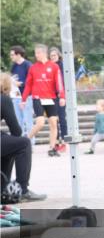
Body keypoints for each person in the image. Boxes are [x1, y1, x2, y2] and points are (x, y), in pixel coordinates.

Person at [1, 73, 45, 202]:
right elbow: (16, 130)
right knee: (24, 143)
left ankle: (3, 189)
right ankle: (23, 190)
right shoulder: (3, 99)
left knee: (10, 144)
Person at [21, 44, 66, 156]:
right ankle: (25, 140)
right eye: (35, 53)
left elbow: (59, 82)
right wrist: (23, 99)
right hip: (37, 98)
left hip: (51, 98)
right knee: (40, 123)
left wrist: (62, 96)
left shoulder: (54, 67)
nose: (36, 55)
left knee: (53, 123)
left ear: (44, 53)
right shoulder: (33, 67)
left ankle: (52, 148)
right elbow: (28, 85)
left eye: (38, 53)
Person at [8, 46, 35, 145]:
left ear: (18, 55)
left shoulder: (28, 65)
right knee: (18, 121)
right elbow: (11, 77)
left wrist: (21, 84)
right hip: (16, 96)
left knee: (28, 121)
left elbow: (32, 80)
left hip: (27, 96)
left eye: (12, 55)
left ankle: (30, 143)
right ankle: (20, 144)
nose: (11, 57)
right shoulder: (14, 66)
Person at [48, 47, 68, 143]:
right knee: (53, 119)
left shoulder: (62, 65)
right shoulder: (49, 66)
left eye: (54, 55)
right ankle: (56, 140)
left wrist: (63, 95)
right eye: (51, 56)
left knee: (62, 117)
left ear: (58, 55)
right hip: (51, 95)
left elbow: (64, 81)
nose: (53, 57)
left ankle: (65, 139)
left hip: (61, 95)